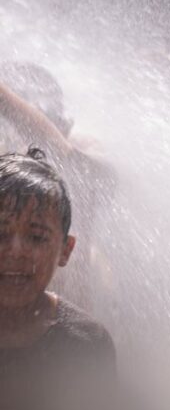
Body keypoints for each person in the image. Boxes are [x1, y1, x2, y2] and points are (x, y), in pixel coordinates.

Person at [0, 148, 116, 410]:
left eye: (37, 237)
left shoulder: (86, 342)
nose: (16, 252)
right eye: (0, 234)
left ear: (66, 250)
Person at [0, 62, 115, 311]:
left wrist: (4, 97)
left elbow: (69, 162)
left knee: (95, 262)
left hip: (61, 329)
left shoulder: (86, 154)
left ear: (65, 124)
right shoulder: (7, 161)